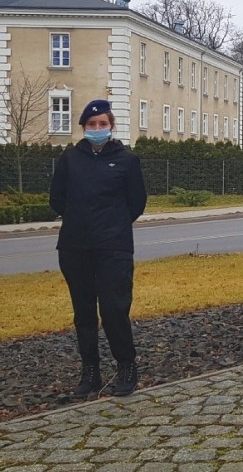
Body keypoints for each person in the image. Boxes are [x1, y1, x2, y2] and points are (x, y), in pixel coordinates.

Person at [49, 99, 147, 398]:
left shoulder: (127, 161)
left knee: (114, 309)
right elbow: (57, 198)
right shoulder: (70, 159)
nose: (96, 129)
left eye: (102, 124)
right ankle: (90, 371)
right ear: (83, 128)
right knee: (83, 312)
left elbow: (136, 203)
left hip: (113, 246)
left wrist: (112, 224)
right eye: (91, 125)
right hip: (75, 246)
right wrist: (81, 218)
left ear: (111, 125)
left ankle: (126, 367)